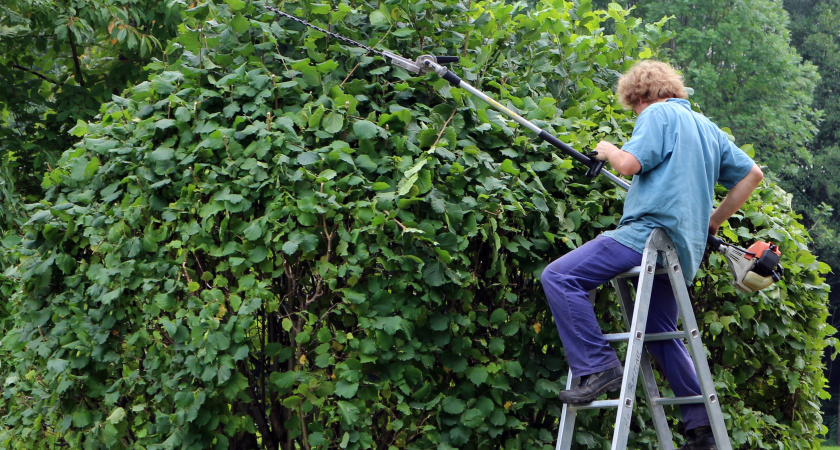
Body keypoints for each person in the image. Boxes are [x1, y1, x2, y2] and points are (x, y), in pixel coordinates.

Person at [540, 60, 763, 450]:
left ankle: (597, 367)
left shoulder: (656, 113)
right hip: (682, 250)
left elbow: (628, 164)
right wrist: (711, 222)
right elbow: (752, 176)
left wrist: (609, 149)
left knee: (559, 277)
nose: (635, 114)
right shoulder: (708, 128)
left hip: (646, 236)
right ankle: (702, 429)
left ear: (639, 96)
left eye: (633, 108)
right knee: (662, 333)